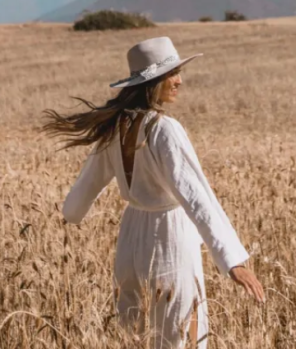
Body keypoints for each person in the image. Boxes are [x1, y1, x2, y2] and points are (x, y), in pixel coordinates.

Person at [42, 36, 264, 348]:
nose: (179, 80)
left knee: (133, 335)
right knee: (179, 335)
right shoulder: (164, 128)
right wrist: (231, 260)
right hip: (169, 239)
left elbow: (81, 196)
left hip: (130, 242)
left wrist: (70, 215)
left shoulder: (116, 126)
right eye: (171, 74)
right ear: (152, 83)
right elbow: (196, 197)